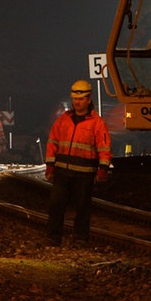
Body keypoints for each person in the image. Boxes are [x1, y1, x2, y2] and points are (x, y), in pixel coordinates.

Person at [44, 79, 111, 246]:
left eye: (80, 99)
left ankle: (80, 238)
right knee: (56, 205)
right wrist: (50, 166)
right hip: (62, 171)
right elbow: (53, 142)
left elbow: (104, 147)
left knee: (82, 208)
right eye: (75, 99)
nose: (77, 103)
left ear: (88, 100)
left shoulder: (97, 123)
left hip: (84, 173)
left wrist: (102, 169)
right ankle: (53, 238)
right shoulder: (63, 120)